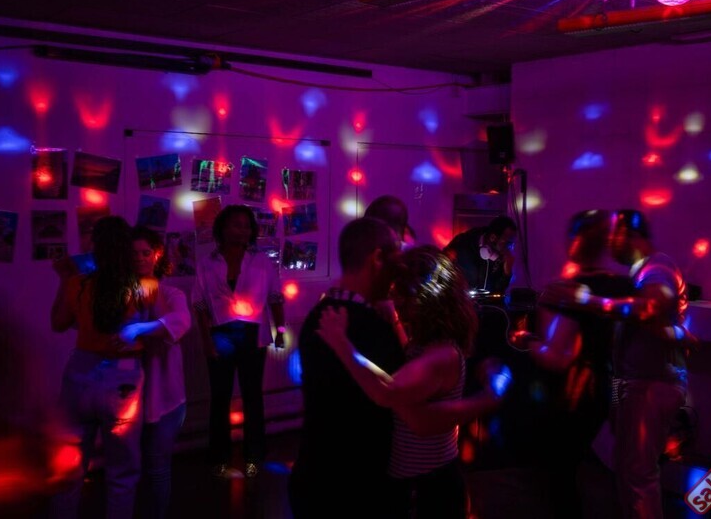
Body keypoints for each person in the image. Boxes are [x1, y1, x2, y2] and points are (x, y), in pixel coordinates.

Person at [316, 245, 506, 519]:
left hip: (428, 485)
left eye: (403, 294)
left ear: (428, 300)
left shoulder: (442, 355)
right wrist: (394, 320)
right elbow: (412, 369)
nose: (396, 299)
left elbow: (387, 392)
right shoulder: (429, 343)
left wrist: (341, 343)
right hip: (423, 478)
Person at [542, 209, 692, 519]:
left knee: (638, 477)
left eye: (613, 235)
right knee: (627, 471)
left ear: (631, 235)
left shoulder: (658, 266)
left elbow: (649, 309)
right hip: (632, 383)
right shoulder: (636, 275)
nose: (608, 243)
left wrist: (587, 301)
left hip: (651, 384)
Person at [514, 210, 634, 518]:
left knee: (558, 476)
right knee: (580, 469)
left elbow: (557, 358)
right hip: (604, 387)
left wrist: (527, 340)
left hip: (570, 394)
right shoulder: (624, 286)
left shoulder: (563, 291)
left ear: (575, 240)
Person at [289, 217, 405, 518]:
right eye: (395, 260)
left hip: (315, 475)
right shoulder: (370, 326)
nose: (398, 273)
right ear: (377, 258)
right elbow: (402, 394)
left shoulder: (320, 315)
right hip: (356, 488)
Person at [49, 216, 157, 519]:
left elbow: (58, 323)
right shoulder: (144, 287)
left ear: (95, 246)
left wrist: (64, 278)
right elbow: (158, 332)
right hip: (124, 379)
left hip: (80, 373)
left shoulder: (78, 284)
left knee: (68, 466)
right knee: (123, 473)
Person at [191, 205, 285, 479]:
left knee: (252, 396)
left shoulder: (262, 261)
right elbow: (199, 304)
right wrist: (206, 340)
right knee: (220, 397)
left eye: (246, 225)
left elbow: (275, 297)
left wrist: (280, 330)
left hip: (253, 334)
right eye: (236, 224)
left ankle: (254, 455)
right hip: (220, 333)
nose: (242, 230)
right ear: (222, 228)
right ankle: (218, 457)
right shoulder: (207, 263)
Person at [113, 226, 190, 518]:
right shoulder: (120, 293)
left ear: (157, 255)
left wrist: (138, 329)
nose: (140, 258)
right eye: (133, 253)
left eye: (146, 252)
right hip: (126, 397)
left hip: (165, 395)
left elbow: (180, 321)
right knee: (130, 467)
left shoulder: (170, 292)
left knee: (157, 465)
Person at [444, 215, 517, 296]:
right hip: (460, 299)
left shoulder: (502, 256)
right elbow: (442, 274)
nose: (509, 248)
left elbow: (498, 291)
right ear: (493, 238)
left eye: (512, 244)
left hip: (486, 302)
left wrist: (507, 272)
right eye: (508, 243)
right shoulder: (462, 243)